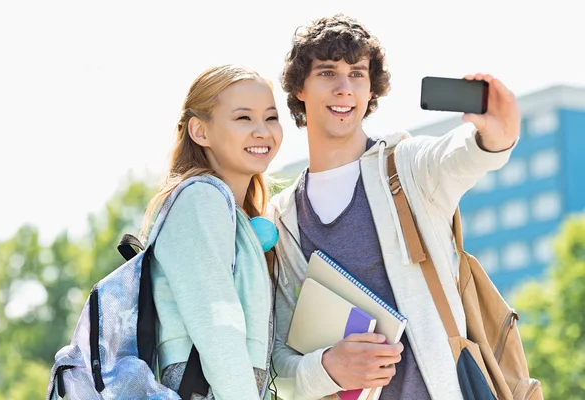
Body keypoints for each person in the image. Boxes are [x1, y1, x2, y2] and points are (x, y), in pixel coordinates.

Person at [268, 14, 520, 400]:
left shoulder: (406, 167)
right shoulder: (283, 218)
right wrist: (328, 368)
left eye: (357, 74)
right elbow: (281, 370)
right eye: (326, 73)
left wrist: (496, 138)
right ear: (300, 87)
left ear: (371, 89)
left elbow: (461, 155)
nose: (344, 88)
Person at [139, 64, 283, 399]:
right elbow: (218, 329)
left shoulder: (233, 212)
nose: (262, 131)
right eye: (244, 118)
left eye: (271, 117)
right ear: (200, 131)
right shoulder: (200, 199)